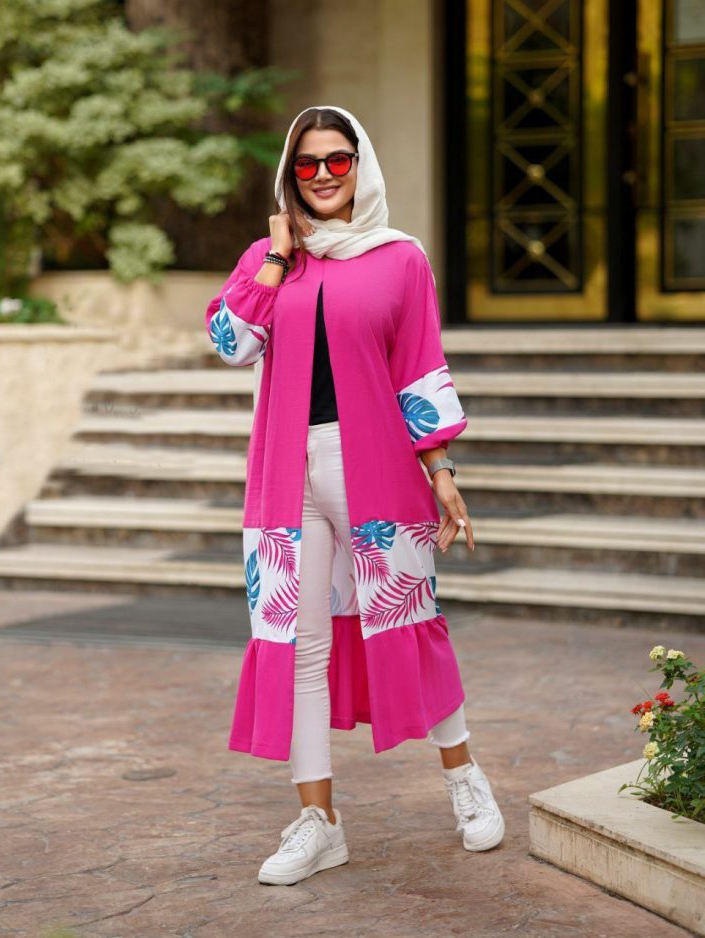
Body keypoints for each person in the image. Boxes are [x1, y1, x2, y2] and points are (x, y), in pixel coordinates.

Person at [206, 105, 504, 887]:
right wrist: (277, 255)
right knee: (299, 642)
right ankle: (319, 823)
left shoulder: (400, 258)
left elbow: (418, 365)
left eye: (337, 160)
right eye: (306, 164)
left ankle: (464, 778)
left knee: (410, 618)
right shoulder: (270, 259)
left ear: (359, 164)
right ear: (290, 174)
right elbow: (232, 345)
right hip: (283, 473)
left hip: (374, 462)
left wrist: (441, 471)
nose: (323, 176)